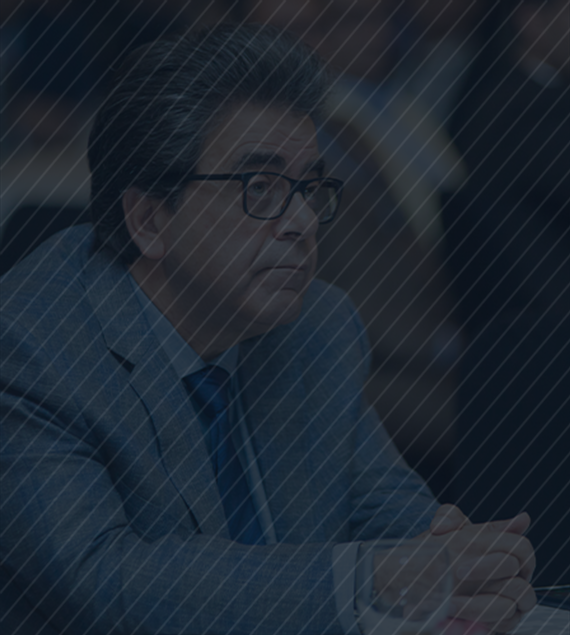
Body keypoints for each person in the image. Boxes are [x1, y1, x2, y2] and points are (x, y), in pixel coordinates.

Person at [1, 24, 535, 634]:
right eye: (260, 188)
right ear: (149, 219)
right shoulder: (30, 347)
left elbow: (388, 512)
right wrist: (367, 582)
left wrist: (460, 565)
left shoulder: (319, 325)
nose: (302, 221)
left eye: (310, 187)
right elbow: (104, 581)